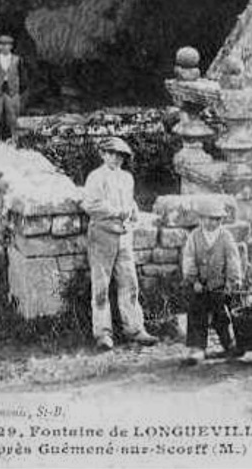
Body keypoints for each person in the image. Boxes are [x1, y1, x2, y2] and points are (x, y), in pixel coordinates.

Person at [82, 137, 158, 351]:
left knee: (129, 283)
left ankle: (134, 329)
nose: (115, 159)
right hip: (102, 234)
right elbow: (91, 205)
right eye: (111, 154)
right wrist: (117, 212)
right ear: (102, 154)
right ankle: (103, 334)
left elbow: (130, 202)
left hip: (123, 236)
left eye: (120, 156)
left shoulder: (127, 178)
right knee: (101, 286)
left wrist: (133, 212)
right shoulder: (95, 177)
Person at [181, 200, 244, 365]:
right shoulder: (194, 236)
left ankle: (228, 343)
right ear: (200, 219)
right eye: (207, 219)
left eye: (216, 219)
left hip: (219, 285)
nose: (211, 223)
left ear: (221, 220)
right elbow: (188, 259)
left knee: (221, 315)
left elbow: (233, 260)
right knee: (196, 314)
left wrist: (232, 281)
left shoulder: (226, 237)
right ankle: (197, 347)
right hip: (199, 286)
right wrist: (193, 279)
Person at [0, 35, 27, 142]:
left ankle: (15, 139)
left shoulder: (17, 60)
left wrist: (18, 89)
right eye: (2, 45)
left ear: (11, 47)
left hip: (12, 91)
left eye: (7, 45)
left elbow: (23, 76)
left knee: (13, 117)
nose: (4, 47)